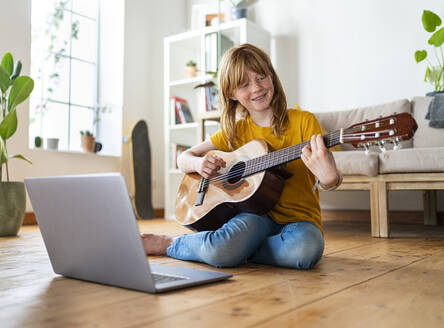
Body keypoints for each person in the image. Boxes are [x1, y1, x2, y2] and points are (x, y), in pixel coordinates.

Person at [142, 43, 342, 270]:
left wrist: (329, 178)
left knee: (305, 250)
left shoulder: (304, 121)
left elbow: (330, 178)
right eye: (244, 84)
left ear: (272, 78)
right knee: (221, 250)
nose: (256, 88)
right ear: (231, 93)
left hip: (300, 221)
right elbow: (183, 158)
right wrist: (198, 163)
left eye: (261, 77)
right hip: (254, 216)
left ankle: (233, 250)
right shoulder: (236, 132)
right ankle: (172, 243)